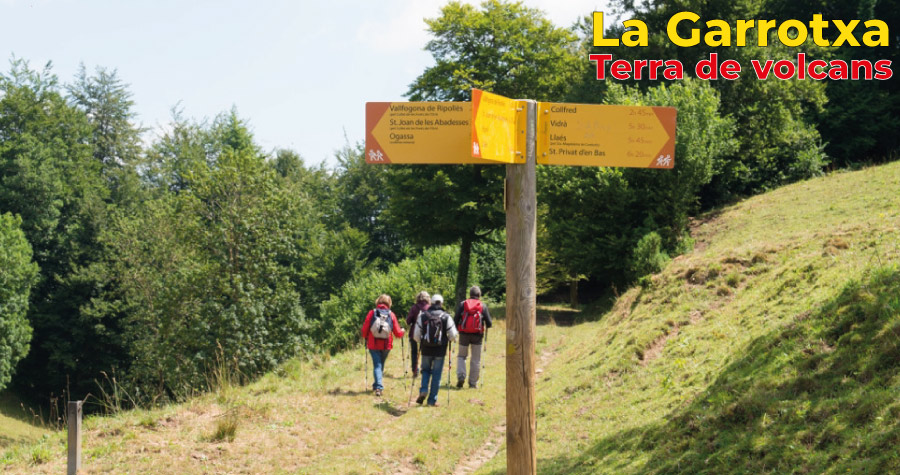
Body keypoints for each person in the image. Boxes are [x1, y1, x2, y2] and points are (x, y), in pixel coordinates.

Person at [413, 294, 458, 406]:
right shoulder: (446, 316)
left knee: (426, 370)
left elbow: (416, 336)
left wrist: (421, 342)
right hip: (440, 350)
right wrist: (449, 340)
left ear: (431, 303)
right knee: (437, 374)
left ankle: (423, 390)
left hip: (426, 350)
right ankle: (432, 401)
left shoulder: (423, 315)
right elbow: (453, 335)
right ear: (441, 303)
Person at [360, 294, 404, 397]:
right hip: (386, 345)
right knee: (380, 365)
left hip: (373, 344)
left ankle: (378, 386)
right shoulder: (391, 315)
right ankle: (377, 385)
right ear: (389, 303)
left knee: (377, 365)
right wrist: (402, 332)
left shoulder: (372, 313)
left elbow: (365, 329)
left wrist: (365, 336)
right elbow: (397, 333)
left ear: (378, 302)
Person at [455, 285, 492, 388]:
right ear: (479, 295)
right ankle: (472, 383)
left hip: (463, 335)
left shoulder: (463, 304)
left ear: (470, 294)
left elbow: (456, 319)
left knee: (462, 356)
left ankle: (461, 376)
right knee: (475, 359)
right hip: (477, 336)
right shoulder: (482, 306)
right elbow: (489, 323)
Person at [406, 291, 431, 378]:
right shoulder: (430, 308)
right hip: (426, 333)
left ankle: (414, 370)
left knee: (414, 352)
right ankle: (424, 369)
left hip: (414, 332)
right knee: (425, 352)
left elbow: (408, 321)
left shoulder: (414, 307)